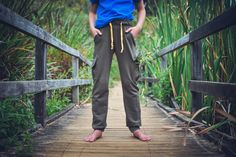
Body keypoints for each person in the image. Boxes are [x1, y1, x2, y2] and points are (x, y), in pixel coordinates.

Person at [84, 0, 151, 142]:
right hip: (103, 32)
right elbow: (92, 10)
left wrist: (138, 27)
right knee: (100, 81)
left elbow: (141, 8)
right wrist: (92, 28)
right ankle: (98, 127)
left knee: (130, 81)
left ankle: (135, 127)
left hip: (125, 30)